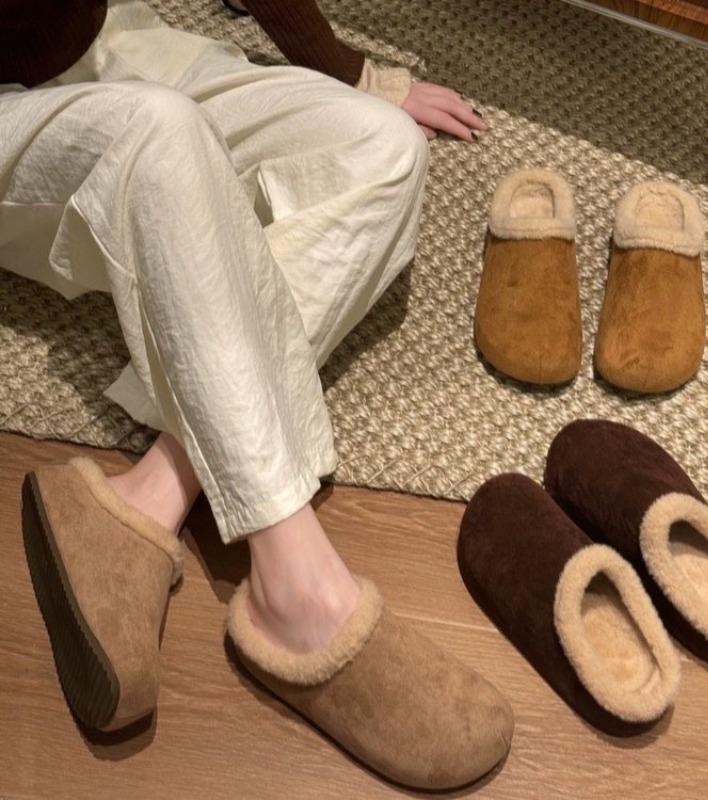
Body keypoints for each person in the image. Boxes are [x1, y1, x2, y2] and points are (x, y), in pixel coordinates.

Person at [2, 0, 513, 790]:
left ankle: (155, 490)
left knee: (383, 145)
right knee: (158, 131)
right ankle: (296, 588)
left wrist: (354, 73)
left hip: (106, 40)